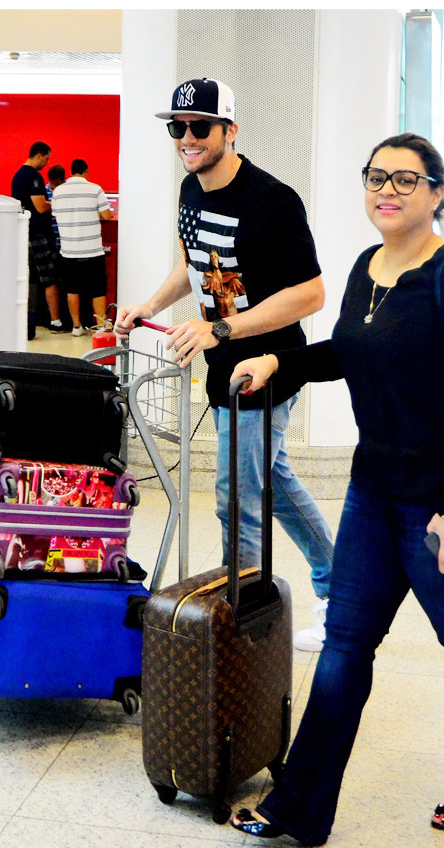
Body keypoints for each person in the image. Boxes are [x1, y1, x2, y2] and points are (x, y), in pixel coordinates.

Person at [228, 133, 444, 847]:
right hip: (371, 493)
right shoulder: (368, 266)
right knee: (346, 647)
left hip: (439, 504)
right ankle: (299, 808)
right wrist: (278, 360)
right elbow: (349, 352)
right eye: (376, 177)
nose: (387, 190)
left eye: (406, 179)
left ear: (436, 193)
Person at [115, 78, 334, 650]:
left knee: (237, 492)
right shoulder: (191, 189)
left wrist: (220, 328)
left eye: (200, 128)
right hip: (222, 362)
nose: (186, 138)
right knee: (270, 481)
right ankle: (343, 589)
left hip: (266, 363)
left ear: (229, 130)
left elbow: (311, 293)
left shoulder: (273, 200)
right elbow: (193, 264)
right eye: (177, 128)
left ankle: (240, 627)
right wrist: (149, 306)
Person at [52, 159, 112, 337]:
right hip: (92, 250)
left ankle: (76, 326)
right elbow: (106, 215)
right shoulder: (95, 189)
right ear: (86, 172)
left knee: (72, 289)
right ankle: (101, 325)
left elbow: (55, 214)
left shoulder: (58, 192)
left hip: (69, 251)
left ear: (71, 172)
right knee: (98, 289)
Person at [11, 142, 66, 338]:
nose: (47, 162)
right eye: (47, 158)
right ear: (40, 155)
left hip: (24, 233)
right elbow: (41, 206)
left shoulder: (17, 175)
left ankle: (28, 322)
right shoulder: (33, 176)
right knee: (49, 278)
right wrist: (60, 204)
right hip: (37, 236)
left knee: (30, 280)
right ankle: (56, 321)